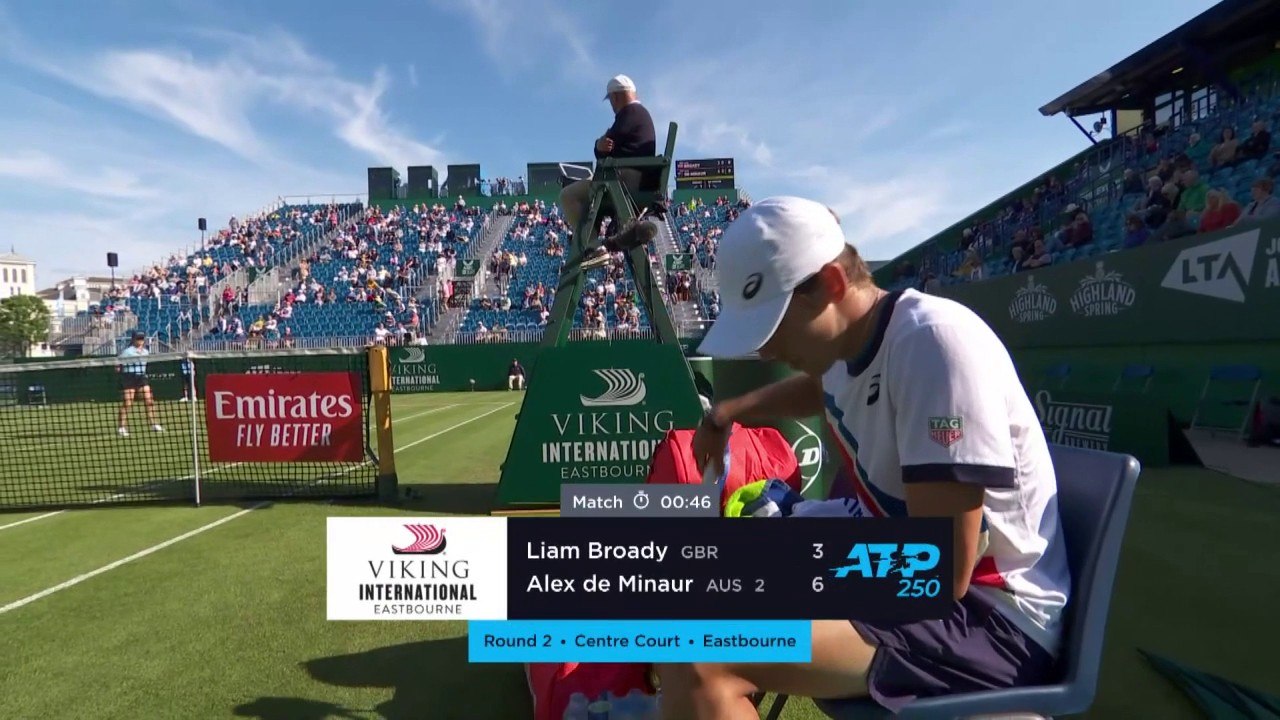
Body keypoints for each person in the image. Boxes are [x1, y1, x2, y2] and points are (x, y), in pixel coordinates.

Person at [656, 196, 1071, 717]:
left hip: (989, 622)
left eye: (773, 325)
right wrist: (729, 412)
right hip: (922, 597)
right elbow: (823, 388)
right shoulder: (855, 345)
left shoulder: (934, 344)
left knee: (703, 652)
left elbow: (941, 573)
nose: (764, 351)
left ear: (831, 284)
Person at [560, 74, 662, 271]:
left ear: (615, 97)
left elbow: (605, 148)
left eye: (611, 101)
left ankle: (593, 247)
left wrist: (598, 145)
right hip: (634, 181)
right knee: (588, 196)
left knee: (568, 195)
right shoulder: (639, 114)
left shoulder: (629, 113)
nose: (612, 106)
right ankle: (616, 238)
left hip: (623, 182)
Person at [117, 332, 163, 436]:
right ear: (133, 339)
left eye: (142, 339)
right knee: (128, 403)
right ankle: (121, 427)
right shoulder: (127, 352)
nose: (140, 341)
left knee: (149, 400)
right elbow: (118, 363)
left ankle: (154, 424)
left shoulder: (146, 352)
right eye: (138, 338)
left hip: (141, 377)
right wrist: (119, 368)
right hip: (129, 377)